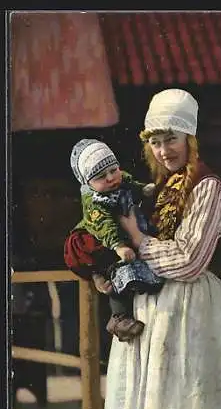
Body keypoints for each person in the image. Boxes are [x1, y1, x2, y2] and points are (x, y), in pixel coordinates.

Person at [94, 88, 221, 409]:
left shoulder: (208, 188)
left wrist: (139, 240)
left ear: (190, 138)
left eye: (172, 138)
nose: (164, 149)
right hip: (153, 313)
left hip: (192, 313)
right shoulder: (157, 189)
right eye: (155, 140)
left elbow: (189, 259)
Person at [65, 138, 164, 342]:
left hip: (125, 232)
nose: (111, 178)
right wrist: (118, 246)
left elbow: (129, 183)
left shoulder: (119, 179)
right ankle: (119, 318)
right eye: (102, 176)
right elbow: (104, 226)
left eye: (113, 170)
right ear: (89, 183)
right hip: (102, 241)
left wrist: (143, 189)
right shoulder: (95, 202)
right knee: (117, 276)